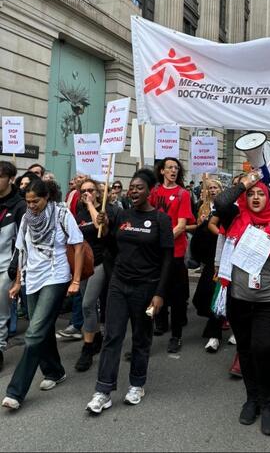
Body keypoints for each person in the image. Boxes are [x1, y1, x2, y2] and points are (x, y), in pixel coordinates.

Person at [213, 172, 270, 436]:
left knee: (264, 348)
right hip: (239, 300)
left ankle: (268, 404)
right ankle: (252, 399)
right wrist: (245, 183)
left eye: (260, 193)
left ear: (269, 197)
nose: (255, 197)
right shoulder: (235, 219)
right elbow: (220, 203)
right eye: (251, 194)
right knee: (246, 351)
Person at [85, 169, 174, 414]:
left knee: (141, 337)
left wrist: (159, 293)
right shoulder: (122, 215)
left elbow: (168, 259)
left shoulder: (161, 220)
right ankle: (103, 391)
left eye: (139, 187)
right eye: (131, 187)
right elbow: (112, 247)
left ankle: (137, 384)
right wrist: (103, 228)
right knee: (112, 336)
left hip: (146, 289)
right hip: (119, 286)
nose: (133, 191)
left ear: (150, 191)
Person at [2, 179, 84, 410]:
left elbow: (78, 245)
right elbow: (22, 252)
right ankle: (55, 371)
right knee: (44, 328)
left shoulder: (61, 214)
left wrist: (76, 280)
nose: (31, 206)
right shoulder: (27, 219)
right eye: (27, 201)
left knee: (34, 331)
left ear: (47, 197)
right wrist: (18, 282)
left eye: (35, 201)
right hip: (32, 279)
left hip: (55, 276)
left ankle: (15, 392)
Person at [150, 157, 195, 353]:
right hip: (155, 252)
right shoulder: (153, 192)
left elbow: (182, 225)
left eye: (176, 168)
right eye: (170, 168)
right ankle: (160, 322)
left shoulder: (182, 194)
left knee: (177, 295)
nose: (173, 171)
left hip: (175, 252)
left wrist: (164, 240)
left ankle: (176, 335)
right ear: (162, 171)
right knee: (158, 289)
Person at [73, 178, 116, 372]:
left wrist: (91, 204)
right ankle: (96, 335)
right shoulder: (79, 214)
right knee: (87, 306)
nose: (86, 193)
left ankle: (87, 348)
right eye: (83, 191)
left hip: (100, 263)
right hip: (84, 265)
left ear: (98, 192)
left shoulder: (106, 210)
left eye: (90, 190)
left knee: (88, 304)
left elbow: (102, 229)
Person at [191, 179, 224, 352]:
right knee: (203, 296)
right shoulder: (202, 206)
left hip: (226, 253)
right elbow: (199, 230)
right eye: (209, 188)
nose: (212, 190)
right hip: (210, 255)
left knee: (218, 294)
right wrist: (203, 223)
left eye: (215, 187)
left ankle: (214, 334)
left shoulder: (228, 207)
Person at [0, 162, 26, 372]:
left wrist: (15, 267)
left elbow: (22, 240)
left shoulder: (19, 205)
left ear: (10, 178)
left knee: (1, 311)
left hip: (5, 266)